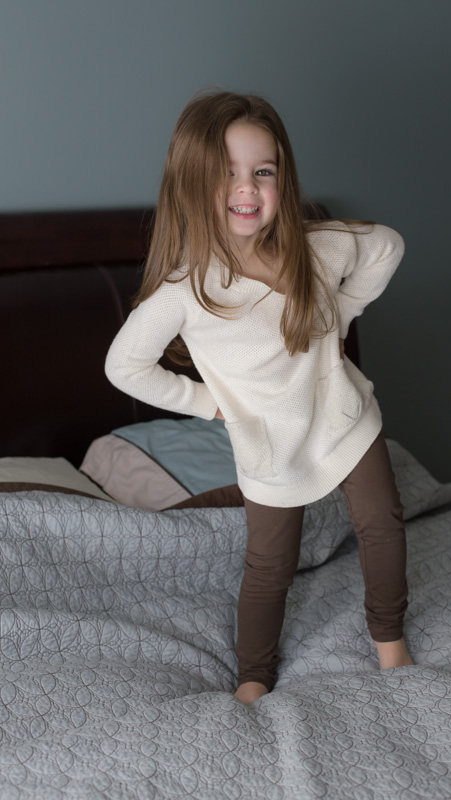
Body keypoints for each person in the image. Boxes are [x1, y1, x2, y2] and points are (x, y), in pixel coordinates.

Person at [105, 90, 413, 705]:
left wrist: (342, 315)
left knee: (382, 523)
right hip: (270, 445)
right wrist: (212, 406)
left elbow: (386, 244)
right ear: (192, 182)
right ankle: (254, 673)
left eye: (263, 171)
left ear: (282, 178)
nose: (246, 188)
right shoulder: (186, 289)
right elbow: (124, 366)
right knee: (270, 564)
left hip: (345, 417)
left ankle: (390, 641)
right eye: (226, 173)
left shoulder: (316, 248)